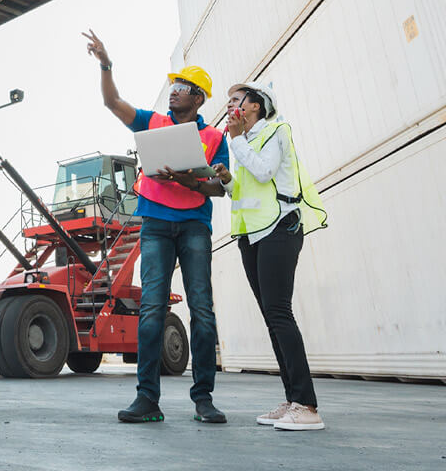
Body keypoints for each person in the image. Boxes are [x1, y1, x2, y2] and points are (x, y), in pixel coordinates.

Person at [82, 29, 228, 426]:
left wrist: (184, 179)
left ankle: (204, 399)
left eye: (183, 86)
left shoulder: (215, 137)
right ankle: (147, 399)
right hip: (156, 225)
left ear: (198, 98)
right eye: (174, 84)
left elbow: (218, 186)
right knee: (150, 311)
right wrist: (106, 64)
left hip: (194, 227)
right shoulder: (153, 121)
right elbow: (112, 102)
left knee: (201, 310)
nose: (174, 90)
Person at [212, 81, 328, 432]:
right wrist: (229, 180)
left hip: (280, 228)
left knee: (279, 313)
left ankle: (307, 405)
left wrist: (235, 141)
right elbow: (248, 188)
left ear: (256, 106)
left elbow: (264, 170)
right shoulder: (243, 143)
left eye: (236, 100)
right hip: (253, 234)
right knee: (271, 317)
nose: (230, 105)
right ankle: (293, 399)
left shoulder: (276, 131)